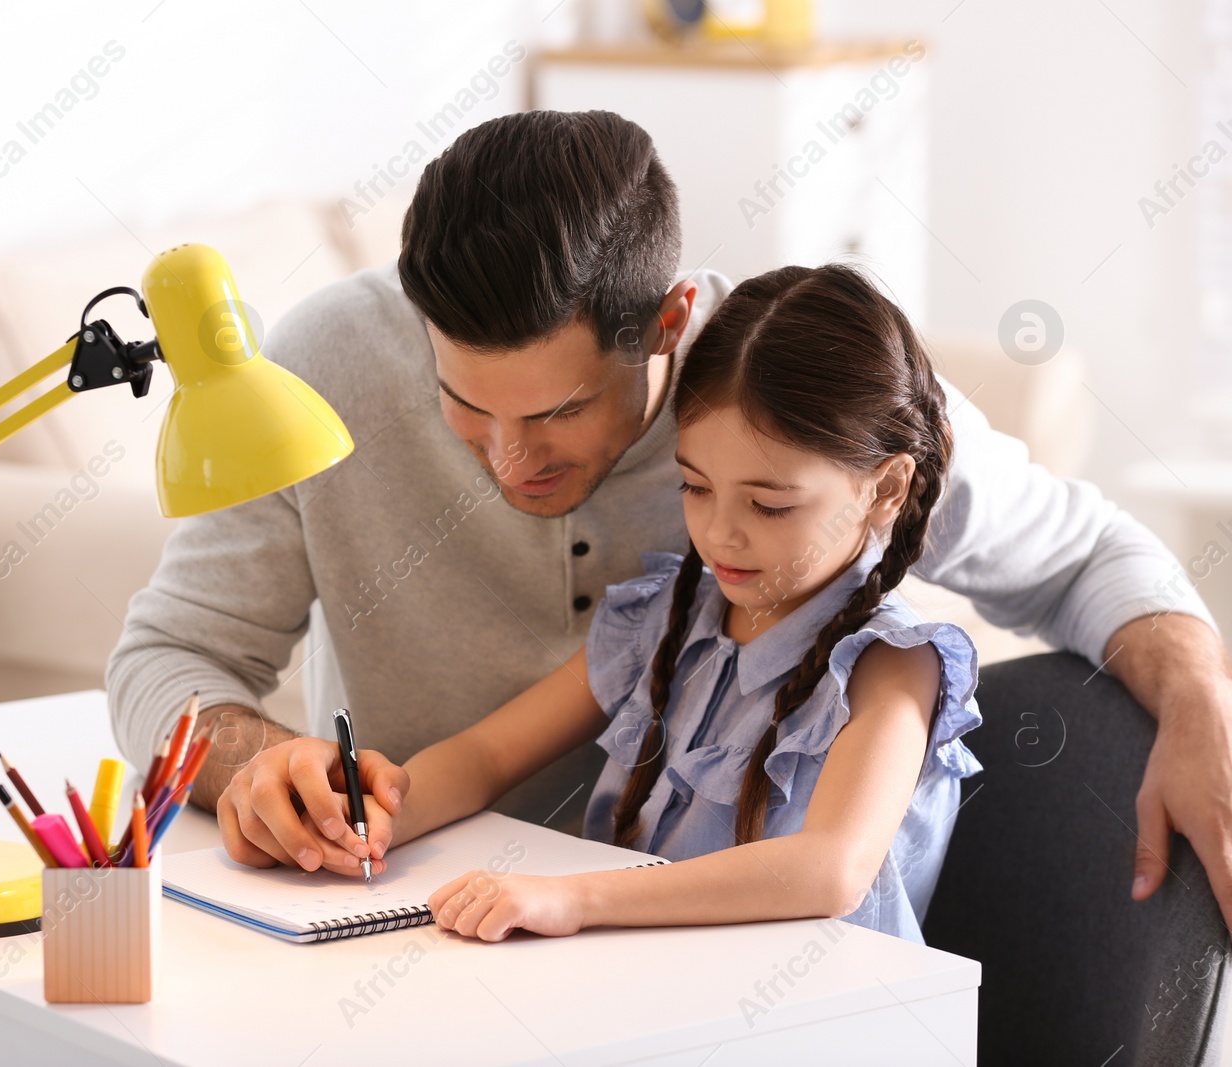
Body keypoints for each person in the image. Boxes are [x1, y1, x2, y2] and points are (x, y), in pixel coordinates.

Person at [106, 110, 1232, 925]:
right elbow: (172, 653)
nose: (509, 457)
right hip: (427, 925)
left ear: (669, 319)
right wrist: (253, 763)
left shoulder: (792, 405)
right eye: (460, 402)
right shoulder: (322, 367)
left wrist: (1199, 697)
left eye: (557, 411)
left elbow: (1092, 555)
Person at [374, 262, 976, 942]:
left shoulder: (891, 666)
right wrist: (377, 813)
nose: (720, 532)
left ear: (887, 488)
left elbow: (830, 869)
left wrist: (576, 899)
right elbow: (486, 754)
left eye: (769, 504)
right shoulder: (667, 615)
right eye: (694, 486)